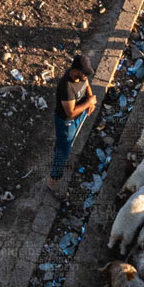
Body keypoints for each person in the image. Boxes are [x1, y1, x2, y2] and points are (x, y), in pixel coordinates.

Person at [45, 55, 97, 197]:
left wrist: (90, 99)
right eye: (84, 72)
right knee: (64, 152)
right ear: (75, 71)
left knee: (65, 143)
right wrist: (88, 103)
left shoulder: (81, 77)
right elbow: (70, 112)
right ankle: (53, 180)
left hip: (78, 117)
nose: (86, 75)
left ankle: (59, 146)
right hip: (66, 122)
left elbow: (87, 86)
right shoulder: (66, 86)